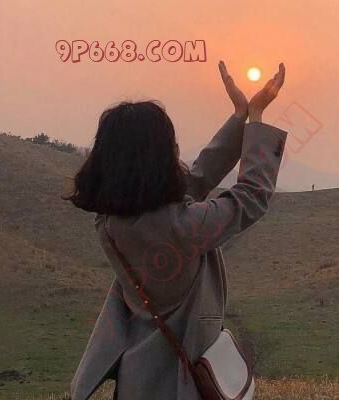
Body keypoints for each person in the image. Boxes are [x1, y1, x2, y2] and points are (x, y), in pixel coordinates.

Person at [63, 61, 288, 400]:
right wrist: (255, 119)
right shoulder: (180, 227)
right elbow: (251, 197)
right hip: (182, 385)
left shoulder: (109, 223)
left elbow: (193, 182)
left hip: (138, 378)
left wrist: (238, 116)